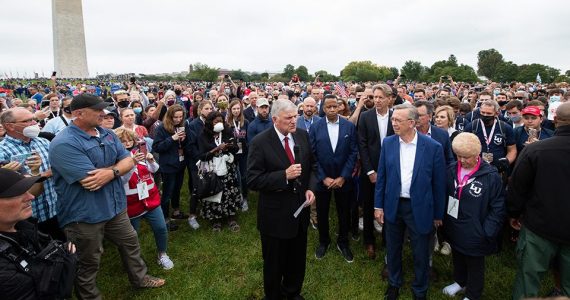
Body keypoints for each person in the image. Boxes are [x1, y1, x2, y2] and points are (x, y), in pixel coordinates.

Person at [49, 94, 164, 299]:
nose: (104, 114)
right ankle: (90, 296)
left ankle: (140, 278)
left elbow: (128, 161)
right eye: (98, 110)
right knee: (88, 260)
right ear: (79, 114)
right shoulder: (64, 143)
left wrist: (109, 172)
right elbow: (90, 181)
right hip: (84, 215)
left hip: (115, 207)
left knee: (130, 243)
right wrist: (117, 169)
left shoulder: (107, 134)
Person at [374, 104, 446, 300]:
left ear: (412, 123)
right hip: (393, 206)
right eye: (393, 119)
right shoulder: (388, 143)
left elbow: (439, 184)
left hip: (420, 208)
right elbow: (382, 178)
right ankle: (394, 283)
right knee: (393, 247)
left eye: (398, 120)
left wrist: (438, 214)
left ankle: (420, 289)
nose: (393, 123)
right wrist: (378, 205)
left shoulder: (433, 147)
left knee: (421, 252)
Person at [247, 99, 317, 300]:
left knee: (297, 260)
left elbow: (312, 167)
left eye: (296, 116)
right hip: (275, 216)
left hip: (300, 212)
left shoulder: (302, 136)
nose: (295, 121)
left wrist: (310, 188)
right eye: (289, 118)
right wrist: (283, 176)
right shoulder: (260, 142)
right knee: (274, 264)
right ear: (275, 119)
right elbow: (252, 179)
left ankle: (293, 292)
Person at [508, 102, 570, 299]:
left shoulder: (535, 150)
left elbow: (517, 187)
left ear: (555, 121)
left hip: (539, 226)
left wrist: (513, 214)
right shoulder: (535, 150)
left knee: (529, 281)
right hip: (540, 225)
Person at [441, 133, 505, 300]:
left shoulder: (490, 176)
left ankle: (473, 293)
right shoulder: (450, 170)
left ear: (477, 155)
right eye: (458, 156)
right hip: (454, 224)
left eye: (466, 157)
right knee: (458, 254)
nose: (462, 160)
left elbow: (498, 207)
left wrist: (487, 231)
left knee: (474, 262)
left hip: (477, 229)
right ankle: (460, 281)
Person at [0, 168, 77, 299]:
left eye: (27, 190)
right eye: (18, 193)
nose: (31, 197)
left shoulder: (23, 226)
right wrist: (63, 268)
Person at [0, 107, 63, 240]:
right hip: (27, 216)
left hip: (55, 208)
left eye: (34, 119)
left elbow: (60, 166)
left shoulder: (44, 142)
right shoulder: (2, 150)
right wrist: (43, 174)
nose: (34, 123)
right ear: (10, 126)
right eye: (28, 121)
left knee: (60, 249)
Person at [114, 128, 173, 270]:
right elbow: (120, 181)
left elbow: (154, 169)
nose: (127, 143)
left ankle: (162, 254)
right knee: (131, 236)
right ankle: (133, 261)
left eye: (129, 140)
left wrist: (151, 161)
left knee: (161, 228)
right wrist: (132, 164)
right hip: (131, 203)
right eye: (123, 141)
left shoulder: (139, 153)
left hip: (150, 198)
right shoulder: (115, 160)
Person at [309, 95, 358, 263]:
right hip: (323, 180)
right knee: (322, 213)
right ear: (323, 109)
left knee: (344, 212)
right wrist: (323, 178)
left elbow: (353, 152)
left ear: (339, 107)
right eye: (328, 107)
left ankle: (343, 242)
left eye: (334, 106)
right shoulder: (315, 127)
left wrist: (344, 176)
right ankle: (324, 241)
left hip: (343, 179)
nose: (331, 109)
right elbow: (312, 155)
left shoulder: (349, 126)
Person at [357, 84, 395, 259]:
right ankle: (369, 241)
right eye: (375, 97)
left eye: (380, 97)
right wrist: (370, 171)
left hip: (392, 171)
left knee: (389, 206)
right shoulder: (365, 117)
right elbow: (362, 145)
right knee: (368, 205)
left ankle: (388, 241)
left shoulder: (396, 116)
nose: (377, 100)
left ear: (389, 98)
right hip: (369, 171)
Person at [197, 111, 242, 231]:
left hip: (227, 168)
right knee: (215, 192)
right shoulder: (203, 136)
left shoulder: (227, 132)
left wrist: (229, 146)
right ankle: (216, 219)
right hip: (212, 169)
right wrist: (216, 149)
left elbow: (236, 148)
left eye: (220, 121)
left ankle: (231, 217)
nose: (219, 123)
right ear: (210, 123)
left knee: (229, 191)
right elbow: (202, 155)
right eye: (216, 122)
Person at [153, 104, 189, 231]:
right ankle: (165, 219)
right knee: (167, 192)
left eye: (181, 117)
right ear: (170, 116)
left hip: (180, 163)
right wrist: (172, 139)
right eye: (176, 117)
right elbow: (156, 147)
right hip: (168, 165)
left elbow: (184, 145)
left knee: (177, 189)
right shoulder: (162, 128)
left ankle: (176, 211)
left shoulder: (182, 126)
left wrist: (184, 140)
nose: (178, 119)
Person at [227, 99, 250, 212]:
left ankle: (245, 197)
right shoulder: (227, 123)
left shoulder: (245, 122)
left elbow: (248, 137)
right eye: (234, 109)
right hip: (232, 154)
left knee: (244, 175)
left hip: (243, 153)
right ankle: (237, 196)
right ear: (230, 110)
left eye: (238, 108)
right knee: (234, 176)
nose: (236, 111)